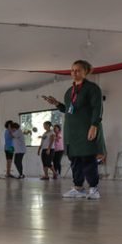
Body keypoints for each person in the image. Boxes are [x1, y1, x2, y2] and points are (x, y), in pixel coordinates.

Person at [43, 59, 105, 200]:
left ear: (85, 72)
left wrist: (94, 125)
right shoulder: (69, 91)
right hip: (72, 132)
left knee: (88, 159)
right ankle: (78, 188)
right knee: (75, 160)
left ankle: (94, 189)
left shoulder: (92, 88)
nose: (74, 73)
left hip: (86, 129)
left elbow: (97, 108)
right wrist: (58, 104)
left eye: (78, 70)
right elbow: (70, 110)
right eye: (72, 70)